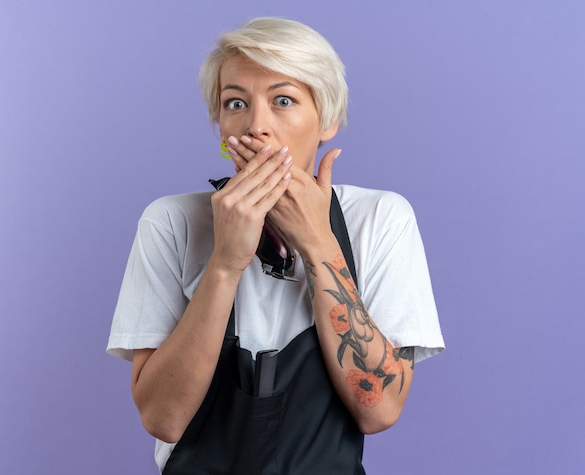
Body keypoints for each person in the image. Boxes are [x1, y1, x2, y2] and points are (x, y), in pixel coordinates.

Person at [107, 17, 444, 474]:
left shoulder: (381, 220)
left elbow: (379, 410)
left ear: (328, 120)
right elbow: (163, 419)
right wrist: (225, 263)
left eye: (283, 100)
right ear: (220, 126)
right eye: (235, 103)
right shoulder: (171, 223)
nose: (256, 126)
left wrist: (317, 243)